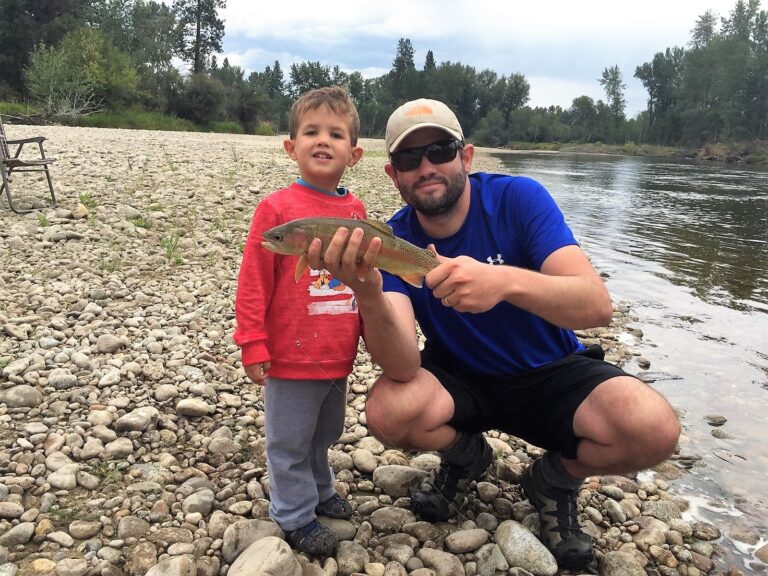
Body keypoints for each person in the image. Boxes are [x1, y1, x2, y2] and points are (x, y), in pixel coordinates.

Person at [306, 98, 681, 569]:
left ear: (466, 157)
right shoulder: (392, 243)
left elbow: (596, 305)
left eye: (440, 150)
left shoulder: (519, 199)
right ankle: (467, 458)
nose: (426, 167)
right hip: (460, 376)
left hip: (551, 371)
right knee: (388, 411)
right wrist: (369, 292)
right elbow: (402, 365)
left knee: (654, 429)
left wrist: (503, 282)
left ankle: (553, 479)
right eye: (408, 159)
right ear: (392, 175)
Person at [233, 86, 366, 555]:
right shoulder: (276, 211)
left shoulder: (356, 211)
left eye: (336, 133)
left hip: (336, 353)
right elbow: (253, 282)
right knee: (288, 441)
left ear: (355, 153)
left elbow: (363, 284)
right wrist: (252, 342)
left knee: (324, 434)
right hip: (289, 356)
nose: (323, 140)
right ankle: (293, 514)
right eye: (311, 131)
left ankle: (320, 488)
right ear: (292, 147)